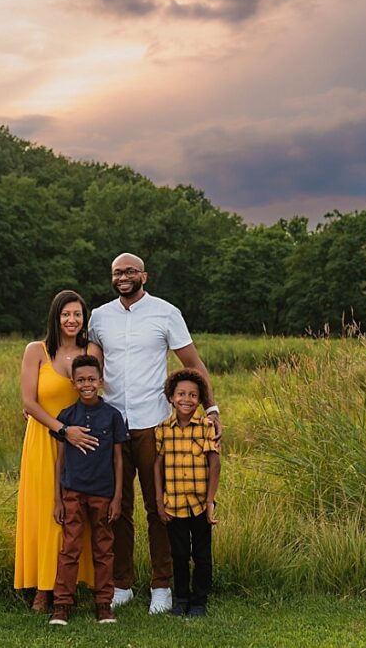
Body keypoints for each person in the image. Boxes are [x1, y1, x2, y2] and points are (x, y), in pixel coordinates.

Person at [87, 252, 221, 614]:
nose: (123, 277)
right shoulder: (99, 318)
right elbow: (91, 368)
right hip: (112, 424)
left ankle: (161, 585)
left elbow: (192, 365)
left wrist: (210, 408)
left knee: (159, 507)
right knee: (118, 508)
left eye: (130, 271)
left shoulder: (166, 312)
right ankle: (121, 583)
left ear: (144, 275)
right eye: (117, 272)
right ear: (111, 277)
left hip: (152, 425)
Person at [14, 290, 102, 611]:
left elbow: (94, 390)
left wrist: (79, 432)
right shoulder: (35, 351)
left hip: (81, 442)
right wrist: (62, 429)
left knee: (77, 513)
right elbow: (29, 402)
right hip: (44, 440)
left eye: (77, 314)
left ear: (84, 319)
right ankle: (42, 587)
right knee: (44, 513)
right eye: (66, 314)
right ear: (55, 317)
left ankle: (71, 583)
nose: (72, 320)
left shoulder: (90, 350)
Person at [48, 355, 128, 626]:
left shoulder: (113, 417)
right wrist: (57, 498)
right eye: (81, 380)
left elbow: (118, 459)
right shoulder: (66, 418)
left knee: (104, 549)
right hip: (72, 492)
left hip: (103, 494)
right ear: (73, 383)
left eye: (91, 379)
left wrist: (118, 497)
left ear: (101, 381)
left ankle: (104, 605)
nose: (86, 384)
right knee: (69, 548)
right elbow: (60, 460)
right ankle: (62, 605)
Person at [155, 368, 220, 617]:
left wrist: (210, 500)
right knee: (179, 555)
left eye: (193, 395)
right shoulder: (162, 430)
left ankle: (199, 600)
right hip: (174, 504)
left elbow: (215, 463)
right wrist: (159, 501)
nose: (186, 399)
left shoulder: (206, 427)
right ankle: (181, 598)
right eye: (181, 393)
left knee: (202, 555)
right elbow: (156, 466)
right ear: (171, 397)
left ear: (200, 399)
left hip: (200, 504)